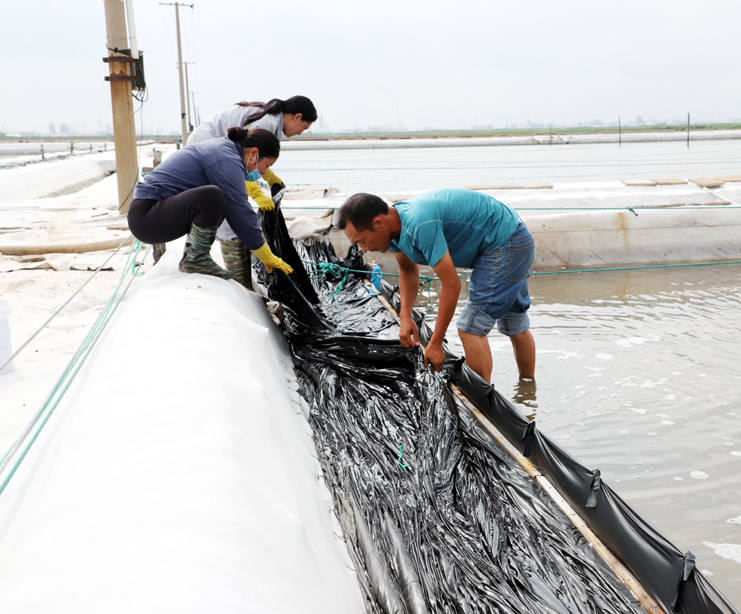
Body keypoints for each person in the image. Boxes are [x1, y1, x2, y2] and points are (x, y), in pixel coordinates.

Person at [337, 188, 536, 383]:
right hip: (514, 234)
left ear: (379, 223)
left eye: (362, 240)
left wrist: (436, 343)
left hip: (505, 242)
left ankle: (482, 402)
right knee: (514, 321)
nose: (364, 249)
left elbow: (452, 285)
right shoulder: (395, 228)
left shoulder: (419, 224)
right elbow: (408, 270)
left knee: (470, 327)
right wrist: (405, 317)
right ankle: (528, 388)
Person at [128, 127, 293, 284]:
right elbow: (240, 209)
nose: (264, 172)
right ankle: (196, 259)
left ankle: (195, 256)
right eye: (267, 166)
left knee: (218, 200)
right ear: (253, 153)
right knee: (213, 196)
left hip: (154, 215)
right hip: (147, 218)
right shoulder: (226, 159)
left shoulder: (225, 150)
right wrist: (265, 254)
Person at [187, 96, 317, 211]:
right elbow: (246, 158)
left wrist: (269, 177)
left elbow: (254, 157)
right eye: (304, 128)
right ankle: (231, 233)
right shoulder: (267, 123)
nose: (300, 133)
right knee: (230, 199)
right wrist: (256, 193)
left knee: (228, 201)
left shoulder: (271, 120)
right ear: (297, 117)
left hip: (212, 151)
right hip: (205, 147)